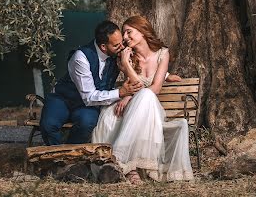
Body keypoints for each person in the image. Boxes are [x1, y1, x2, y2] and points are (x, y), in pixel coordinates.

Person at [92, 15, 194, 184]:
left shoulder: (163, 53)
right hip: (136, 107)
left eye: (128, 32)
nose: (125, 37)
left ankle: (119, 160)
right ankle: (131, 170)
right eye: (124, 33)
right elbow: (131, 86)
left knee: (146, 96)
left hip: (151, 107)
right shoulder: (128, 56)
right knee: (110, 114)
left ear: (142, 31)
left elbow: (154, 89)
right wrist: (126, 66)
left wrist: (132, 85)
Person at [40, 20, 142, 145]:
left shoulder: (120, 54)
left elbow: (142, 68)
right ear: (103, 47)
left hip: (86, 106)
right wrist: (120, 92)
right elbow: (89, 96)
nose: (121, 47)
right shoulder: (81, 57)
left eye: (121, 43)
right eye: (116, 45)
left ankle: (72, 154)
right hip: (64, 99)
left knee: (87, 122)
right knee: (48, 125)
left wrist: (165, 74)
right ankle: (55, 158)